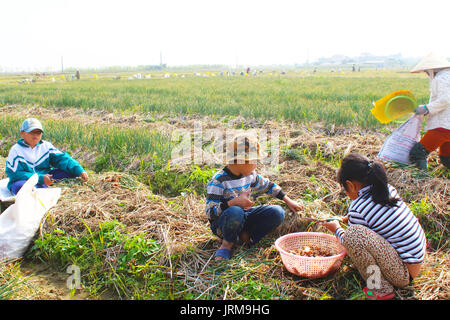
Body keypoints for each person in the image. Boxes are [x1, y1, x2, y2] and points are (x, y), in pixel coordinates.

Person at [323, 153, 426, 300]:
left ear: (351, 185)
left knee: (354, 235)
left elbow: (349, 241)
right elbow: (378, 220)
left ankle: (380, 289)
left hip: (403, 274)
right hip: (416, 259)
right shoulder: (386, 189)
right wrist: (349, 218)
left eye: (344, 188)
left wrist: (336, 229)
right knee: (357, 233)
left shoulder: (358, 208)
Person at [205, 134, 304, 260]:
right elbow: (210, 213)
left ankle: (247, 237)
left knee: (277, 212)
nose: (256, 165)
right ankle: (227, 244)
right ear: (241, 161)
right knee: (236, 211)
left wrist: (287, 200)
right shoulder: (219, 181)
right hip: (224, 223)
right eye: (254, 161)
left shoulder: (250, 175)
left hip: (244, 217)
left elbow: (268, 186)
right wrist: (232, 203)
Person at [5, 118, 88, 195]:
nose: (35, 135)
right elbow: (15, 174)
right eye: (31, 132)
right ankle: (40, 187)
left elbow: (62, 159)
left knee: (71, 172)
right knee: (20, 187)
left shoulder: (46, 146)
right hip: (25, 180)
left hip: (46, 175)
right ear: (22, 134)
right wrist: (40, 179)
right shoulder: (16, 150)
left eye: (38, 132)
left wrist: (79, 170)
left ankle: (42, 185)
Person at [409, 52, 450, 170]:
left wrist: (427, 108)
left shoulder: (441, 78)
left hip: (443, 127)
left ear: (432, 69)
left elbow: (446, 99)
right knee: (447, 158)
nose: (427, 74)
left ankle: (422, 184)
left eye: (426, 71)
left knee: (418, 153)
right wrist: (428, 110)